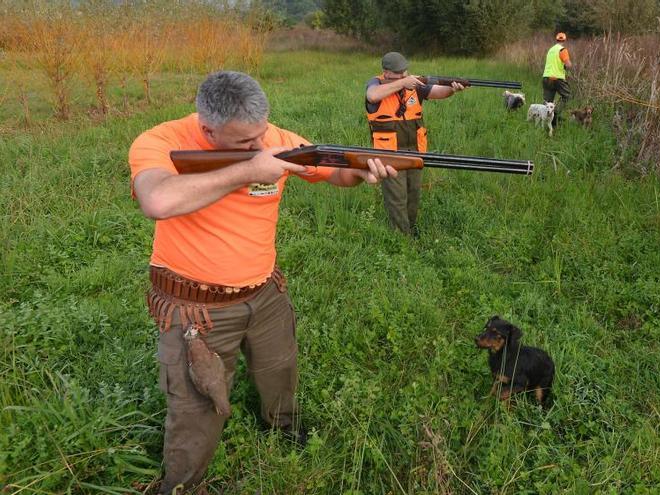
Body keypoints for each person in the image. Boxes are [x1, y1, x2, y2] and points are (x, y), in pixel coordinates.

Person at [128, 70, 397, 493]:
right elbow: (157, 199)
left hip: (266, 293)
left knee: (279, 370)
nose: (260, 145)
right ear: (207, 129)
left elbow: (336, 173)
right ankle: (182, 483)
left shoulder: (276, 138)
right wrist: (249, 169)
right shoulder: (160, 141)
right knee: (197, 406)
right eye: (245, 143)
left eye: (261, 135)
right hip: (198, 307)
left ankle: (285, 431)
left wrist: (363, 171)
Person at [364, 51, 466, 236]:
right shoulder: (376, 83)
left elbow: (437, 92)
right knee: (397, 196)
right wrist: (402, 83)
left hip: (415, 150)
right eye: (399, 74)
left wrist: (452, 88)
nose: (404, 75)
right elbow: (372, 96)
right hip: (390, 152)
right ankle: (401, 238)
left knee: (413, 192)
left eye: (405, 72)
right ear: (386, 73)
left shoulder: (414, 85)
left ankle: (410, 228)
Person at [542, 32, 573, 127]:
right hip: (557, 78)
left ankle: (544, 121)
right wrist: (565, 66)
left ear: (556, 40)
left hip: (546, 78)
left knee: (547, 101)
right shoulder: (562, 50)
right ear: (564, 40)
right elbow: (568, 65)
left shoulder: (550, 50)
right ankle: (555, 114)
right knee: (567, 96)